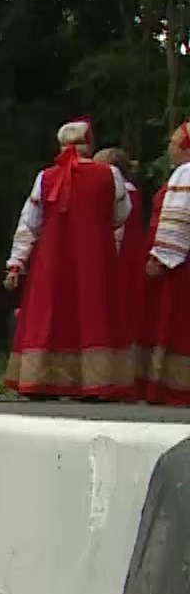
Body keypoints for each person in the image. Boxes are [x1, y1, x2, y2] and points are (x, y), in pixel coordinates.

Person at [4, 119, 134, 398]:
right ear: (90, 144)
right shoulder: (109, 174)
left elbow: (29, 224)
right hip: (95, 257)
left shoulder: (45, 177)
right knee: (93, 311)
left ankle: (43, 380)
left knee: (52, 313)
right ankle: (94, 382)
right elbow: (121, 214)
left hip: (53, 259)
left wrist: (17, 262)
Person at [137, 122, 190, 405]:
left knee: (177, 323)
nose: (170, 148)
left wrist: (162, 256)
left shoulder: (185, 173)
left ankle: (173, 387)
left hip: (180, 264)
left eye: (173, 143)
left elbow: (177, 218)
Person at [98, 146, 150, 363]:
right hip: (133, 259)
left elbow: (117, 231)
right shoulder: (133, 193)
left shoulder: (122, 195)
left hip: (121, 262)